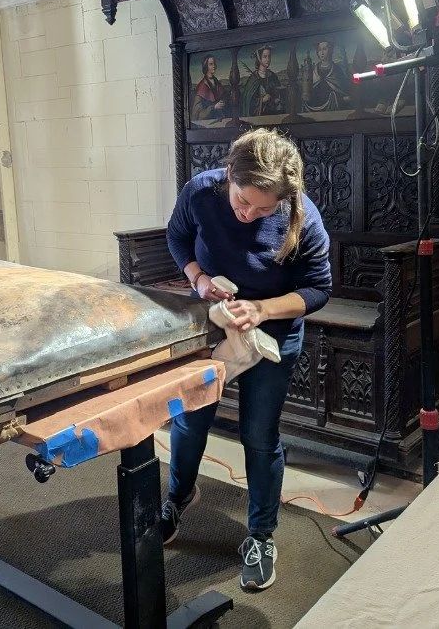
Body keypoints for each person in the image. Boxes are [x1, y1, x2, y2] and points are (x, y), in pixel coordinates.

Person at [162, 128, 332, 591]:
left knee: (259, 435)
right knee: (190, 420)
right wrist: (198, 278)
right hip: (212, 322)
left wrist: (262, 309)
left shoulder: (302, 217)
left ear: (283, 199)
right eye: (242, 201)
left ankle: (260, 536)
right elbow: (177, 236)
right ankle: (178, 497)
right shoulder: (201, 191)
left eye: (263, 209)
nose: (248, 214)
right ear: (229, 175)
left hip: (272, 332)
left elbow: (318, 288)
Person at [191, 55, 228, 121]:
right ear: (206, 66)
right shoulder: (202, 86)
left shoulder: (217, 83)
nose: (214, 66)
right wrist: (214, 107)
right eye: (211, 64)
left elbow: (223, 97)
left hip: (220, 119)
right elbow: (197, 115)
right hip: (208, 122)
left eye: (214, 64)